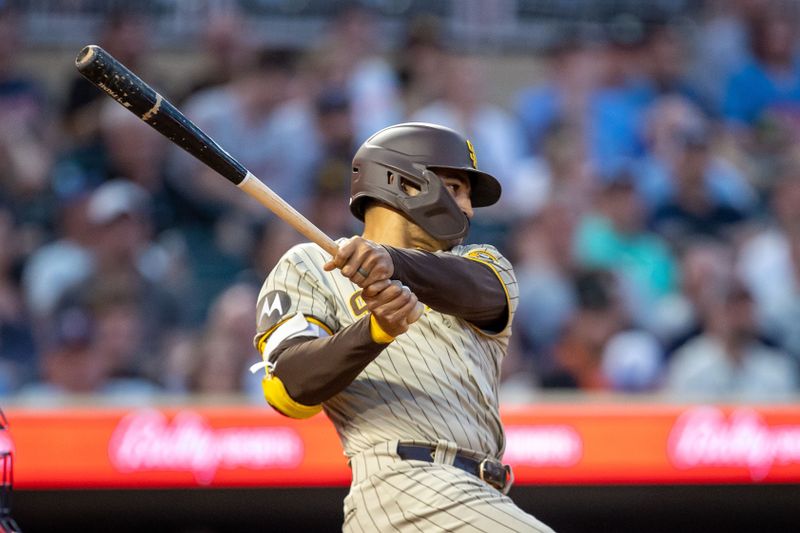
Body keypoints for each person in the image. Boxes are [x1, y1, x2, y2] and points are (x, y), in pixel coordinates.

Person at [251, 123, 553, 532]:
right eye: (455, 188)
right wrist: (374, 331)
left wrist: (391, 260)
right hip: (405, 487)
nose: (468, 208)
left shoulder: (480, 262)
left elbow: (483, 294)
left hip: (480, 492)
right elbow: (291, 388)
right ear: (405, 183)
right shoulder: (311, 265)